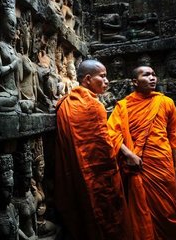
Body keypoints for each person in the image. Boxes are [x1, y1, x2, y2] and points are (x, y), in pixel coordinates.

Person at [55, 59, 132, 240]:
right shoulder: (92, 105)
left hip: (75, 174)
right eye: (103, 77)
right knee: (106, 217)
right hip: (99, 177)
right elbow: (103, 150)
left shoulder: (67, 102)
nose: (107, 81)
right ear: (88, 79)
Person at [107, 65, 176, 240]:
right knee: (141, 210)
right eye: (146, 75)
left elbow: (173, 135)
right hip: (138, 166)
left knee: (168, 211)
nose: (152, 78)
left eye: (154, 74)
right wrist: (129, 155)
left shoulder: (166, 102)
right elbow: (111, 134)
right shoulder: (123, 106)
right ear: (135, 82)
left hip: (163, 165)